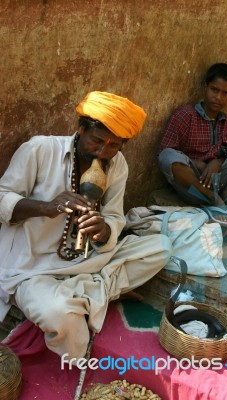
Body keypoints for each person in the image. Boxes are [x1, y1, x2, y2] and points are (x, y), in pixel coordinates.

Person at [0, 91, 172, 359]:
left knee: (160, 246)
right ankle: (97, 294)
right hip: (33, 269)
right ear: (81, 129)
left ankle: (89, 293)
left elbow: (115, 217)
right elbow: (2, 198)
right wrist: (47, 207)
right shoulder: (40, 149)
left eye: (114, 145)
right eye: (97, 141)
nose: (103, 151)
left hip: (87, 260)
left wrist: (104, 230)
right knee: (62, 318)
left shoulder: (117, 165)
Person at [158, 63, 227, 226]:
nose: (218, 97)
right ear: (205, 87)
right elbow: (166, 150)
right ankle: (214, 200)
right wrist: (200, 165)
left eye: (225, 93)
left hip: (219, 179)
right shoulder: (185, 115)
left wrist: (216, 162)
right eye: (214, 90)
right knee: (167, 156)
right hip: (194, 183)